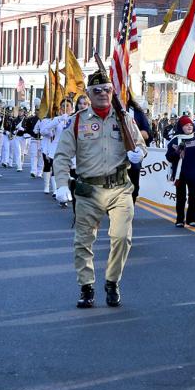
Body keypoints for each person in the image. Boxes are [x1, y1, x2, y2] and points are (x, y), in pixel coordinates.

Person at [54, 69, 147, 308]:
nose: (103, 94)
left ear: (112, 91)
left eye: (107, 89)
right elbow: (62, 156)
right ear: (89, 94)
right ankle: (86, 287)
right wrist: (62, 184)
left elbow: (140, 143)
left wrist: (139, 153)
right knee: (83, 241)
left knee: (122, 238)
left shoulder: (124, 118)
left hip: (120, 188)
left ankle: (112, 281)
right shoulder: (77, 121)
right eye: (97, 91)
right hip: (88, 189)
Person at [166, 115, 195, 227]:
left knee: (193, 197)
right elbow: (169, 157)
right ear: (181, 127)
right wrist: (177, 153)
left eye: (191, 124)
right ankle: (180, 220)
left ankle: (192, 219)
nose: (189, 126)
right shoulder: (175, 140)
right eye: (186, 125)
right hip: (179, 174)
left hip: (193, 174)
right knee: (180, 198)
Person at [126, 94, 152, 204]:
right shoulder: (108, 111)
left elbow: (147, 134)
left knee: (133, 187)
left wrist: (132, 133)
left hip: (133, 156)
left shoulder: (136, 112)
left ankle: (129, 210)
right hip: (114, 158)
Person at [23, 99, 43, 179]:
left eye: (40, 110)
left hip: (42, 140)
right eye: (37, 110)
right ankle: (33, 171)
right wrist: (32, 132)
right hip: (34, 139)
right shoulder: (30, 119)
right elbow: (27, 129)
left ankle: (40, 172)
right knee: (33, 155)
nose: (38, 111)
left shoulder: (44, 119)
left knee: (41, 157)